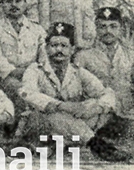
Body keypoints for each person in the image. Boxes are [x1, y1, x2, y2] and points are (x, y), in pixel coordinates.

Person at [19, 21, 115, 150]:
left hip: (70, 124)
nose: (59, 50)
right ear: (46, 48)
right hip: (42, 121)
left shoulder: (78, 71)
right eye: (54, 45)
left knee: (96, 106)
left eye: (64, 46)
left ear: (72, 49)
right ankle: (95, 144)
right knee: (54, 114)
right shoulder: (35, 69)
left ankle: (62, 143)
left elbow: (106, 93)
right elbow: (27, 93)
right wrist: (61, 105)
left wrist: (96, 108)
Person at [77, 7, 134, 162]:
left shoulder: (131, 54)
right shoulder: (83, 56)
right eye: (102, 26)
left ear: (121, 28)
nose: (107, 31)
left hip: (127, 112)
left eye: (113, 26)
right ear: (96, 28)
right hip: (99, 113)